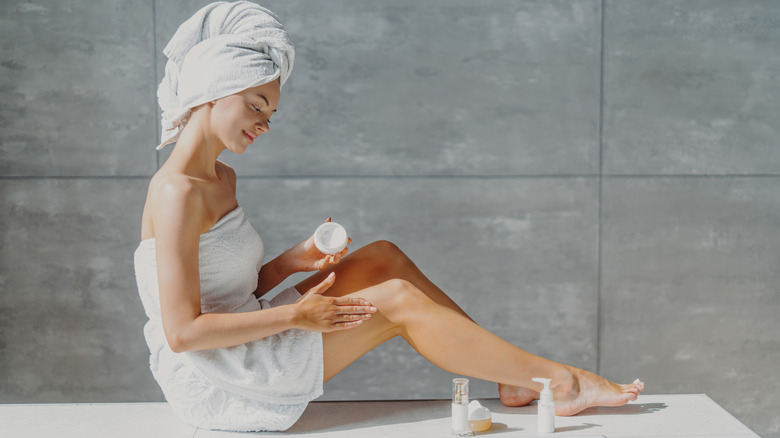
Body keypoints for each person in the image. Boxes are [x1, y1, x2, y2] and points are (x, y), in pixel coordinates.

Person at [134, 1, 645, 432]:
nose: (264, 124)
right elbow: (183, 332)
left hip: (240, 333)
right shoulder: (176, 192)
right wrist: (296, 314)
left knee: (382, 258)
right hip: (216, 374)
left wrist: (293, 261)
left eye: (269, 114)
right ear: (212, 91)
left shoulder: (222, 179)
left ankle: (511, 376)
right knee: (396, 302)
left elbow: (229, 296)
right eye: (256, 105)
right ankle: (561, 382)